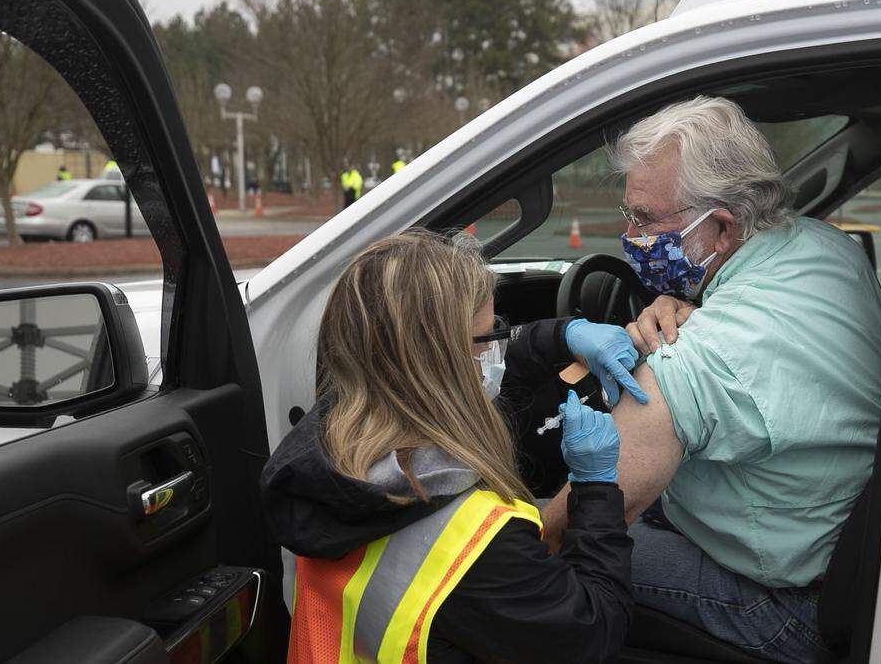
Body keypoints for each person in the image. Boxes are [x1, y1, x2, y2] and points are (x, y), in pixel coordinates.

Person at [541, 96, 881, 663]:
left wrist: (514, 546)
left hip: (779, 602)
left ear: (722, 230)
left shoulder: (705, 360)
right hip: (834, 539)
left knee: (535, 561)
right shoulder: (823, 248)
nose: (629, 235)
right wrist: (686, 301)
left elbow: (590, 511)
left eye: (644, 219)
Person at [261, 230, 636, 663]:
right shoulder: (474, 547)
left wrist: (562, 335)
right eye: (486, 337)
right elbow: (593, 632)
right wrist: (596, 489)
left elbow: (466, 363)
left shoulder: (331, 443)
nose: (496, 350)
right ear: (443, 362)